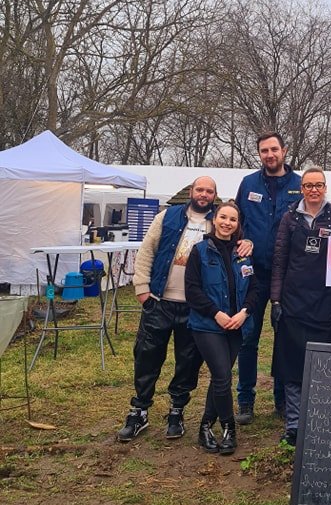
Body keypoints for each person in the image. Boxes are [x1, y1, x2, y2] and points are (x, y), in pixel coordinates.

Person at [117, 176, 217, 442]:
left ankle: (176, 411)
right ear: (191, 192)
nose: (203, 194)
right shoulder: (167, 216)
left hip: (194, 306)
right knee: (147, 356)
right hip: (160, 301)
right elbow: (147, 250)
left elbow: (235, 246)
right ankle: (139, 411)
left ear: (214, 196)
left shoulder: (218, 221)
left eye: (209, 191)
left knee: (188, 362)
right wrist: (142, 289)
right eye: (200, 189)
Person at [270, 167, 331, 445]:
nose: (314, 190)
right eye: (308, 185)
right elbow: (279, 259)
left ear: (325, 187)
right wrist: (276, 299)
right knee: (291, 366)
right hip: (293, 302)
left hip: (325, 303)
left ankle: (316, 419)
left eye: (318, 185)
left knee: (322, 366)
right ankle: (293, 424)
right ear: (302, 189)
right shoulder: (290, 217)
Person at [234, 132, 302, 425]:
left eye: (274, 149)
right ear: (259, 154)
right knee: (247, 336)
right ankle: (245, 399)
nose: (269, 154)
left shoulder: (300, 186)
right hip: (253, 275)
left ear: (284, 151)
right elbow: (235, 219)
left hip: (287, 277)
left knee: (284, 339)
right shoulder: (249, 183)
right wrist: (241, 240)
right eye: (264, 150)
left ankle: (282, 399)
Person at [185, 201, 257, 456]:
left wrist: (243, 312)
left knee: (220, 378)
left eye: (233, 219)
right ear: (214, 219)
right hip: (208, 325)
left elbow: (255, 289)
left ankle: (205, 425)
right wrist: (216, 314)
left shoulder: (244, 253)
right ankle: (229, 429)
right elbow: (192, 290)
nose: (227, 223)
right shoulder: (200, 251)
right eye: (223, 217)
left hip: (236, 325)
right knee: (223, 378)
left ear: (238, 225)